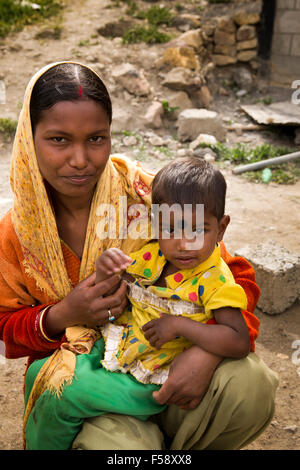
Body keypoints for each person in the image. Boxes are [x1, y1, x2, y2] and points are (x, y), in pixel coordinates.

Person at [0, 61, 278, 451]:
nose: (80, 159)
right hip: (89, 380)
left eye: (96, 138)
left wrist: (204, 352)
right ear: (30, 139)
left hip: (173, 363)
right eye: (59, 139)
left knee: (250, 386)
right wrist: (65, 313)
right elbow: (5, 324)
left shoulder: (147, 196)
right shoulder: (18, 232)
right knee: (123, 446)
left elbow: (233, 276)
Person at [98, 158, 251, 387]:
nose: (183, 244)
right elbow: (118, 285)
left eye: (198, 230)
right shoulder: (152, 255)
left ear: (221, 229)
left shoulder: (215, 280)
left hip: (163, 372)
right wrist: (106, 269)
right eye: (170, 229)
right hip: (123, 349)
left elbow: (239, 342)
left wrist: (180, 326)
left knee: (83, 396)